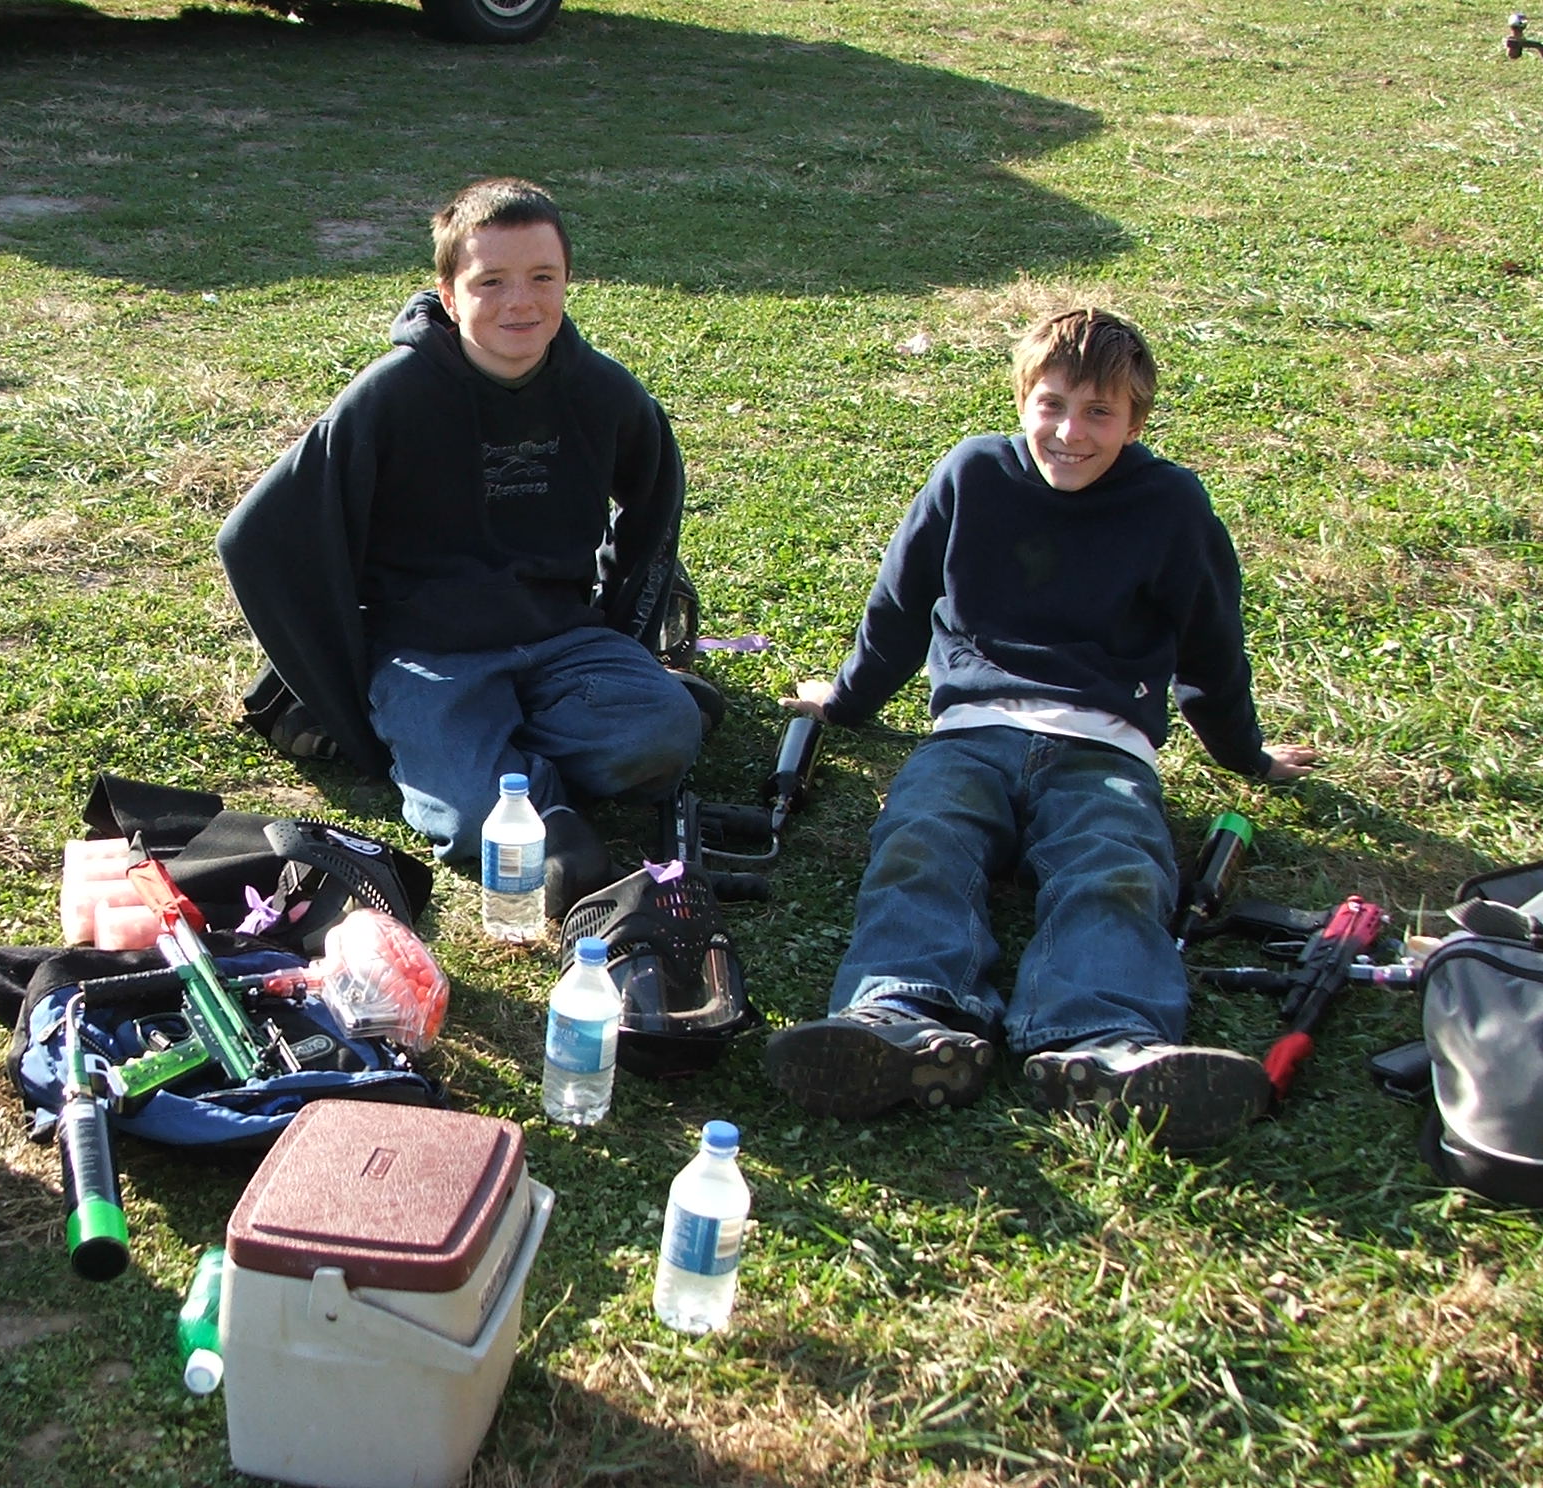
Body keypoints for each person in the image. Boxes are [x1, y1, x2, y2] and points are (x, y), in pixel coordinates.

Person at [765, 307, 1318, 1152]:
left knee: (1115, 866)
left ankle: (1105, 1040)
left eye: (1099, 412)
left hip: (1104, 744)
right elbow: (900, 609)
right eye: (1052, 404)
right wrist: (843, 701)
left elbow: (1212, 645)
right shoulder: (972, 474)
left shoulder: (1171, 505)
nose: (1070, 432)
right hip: (971, 731)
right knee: (921, 841)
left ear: (1136, 421)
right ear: (1023, 398)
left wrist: (1246, 754)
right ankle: (903, 1012)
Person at [218, 178, 703, 901]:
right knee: (478, 820)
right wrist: (338, 685)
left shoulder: (601, 389)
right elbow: (255, 537)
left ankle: (491, 742)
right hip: (431, 656)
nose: (521, 302)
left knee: (665, 736)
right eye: (491, 281)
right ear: (449, 295)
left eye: (543, 277)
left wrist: (623, 626)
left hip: (562, 638)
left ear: (568, 281)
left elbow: (654, 500)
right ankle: (520, 787)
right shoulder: (391, 393)